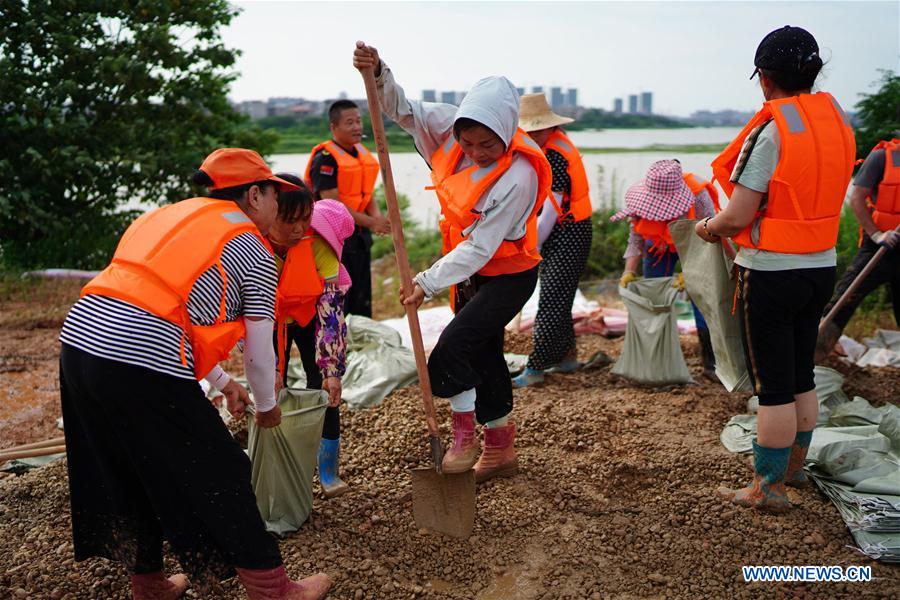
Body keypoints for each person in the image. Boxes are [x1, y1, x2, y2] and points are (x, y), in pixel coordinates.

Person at [59, 148, 331, 599]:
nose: (277, 208)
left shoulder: (169, 216)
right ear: (255, 194)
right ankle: (273, 589)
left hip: (79, 344)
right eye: (273, 196)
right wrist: (266, 408)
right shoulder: (252, 245)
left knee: (124, 466)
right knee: (223, 468)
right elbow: (261, 353)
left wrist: (225, 385)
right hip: (139, 356)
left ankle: (148, 583)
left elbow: (163, 306)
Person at [353, 41, 551, 482]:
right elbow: (403, 110)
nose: (476, 151)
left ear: (507, 132)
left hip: (509, 275)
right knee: (485, 353)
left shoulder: (518, 176)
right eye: (468, 142)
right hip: (471, 273)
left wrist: (427, 281)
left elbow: (481, 246)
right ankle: (500, 450)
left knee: (452, 350)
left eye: (488, 145)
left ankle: (464, 436)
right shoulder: (450, 127)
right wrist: (379, 73)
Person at [697, 26, 855, 511]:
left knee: (773, 387)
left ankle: (768, 488)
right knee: (802, 373)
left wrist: (708, 227)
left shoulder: (773, 130)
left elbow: (740, 214)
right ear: (814, 72)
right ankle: (794, 470)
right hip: (821, 267)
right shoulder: (838, 124)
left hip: (770, 273)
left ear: (764, 79)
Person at [269, 173, 354, 498]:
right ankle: (280, 465)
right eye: (289, 221)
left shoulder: (319, 243)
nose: (297, 229)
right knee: (270, 388)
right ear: (267, 214)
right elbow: (245, 311)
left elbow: (331, 311)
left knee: (323, 389)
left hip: (309, 315)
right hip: (270, 320)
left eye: (304, 220)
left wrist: (333, 370)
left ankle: (329, 471)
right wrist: (269, 369)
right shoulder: (251, 245)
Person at [512, 93, 594, 388]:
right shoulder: (550, 145)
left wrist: (530, 247)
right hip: (565, 230)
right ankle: (567, 357)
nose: (532, 135)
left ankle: (536, 368)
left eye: (537, 129)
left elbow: (549, 213)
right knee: (560, 297)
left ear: (549, 126)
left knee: (550, 301)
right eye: (528, 130)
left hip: (569, 232)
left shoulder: (555, 154)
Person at [611, 159, 718, 380]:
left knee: (702, 301)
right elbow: (636, 238)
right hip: (658, 246)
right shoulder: (641, 201)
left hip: (695, 245)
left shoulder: (699, 197)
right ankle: (656, 360)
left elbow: (712, 241)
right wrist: (628, 271)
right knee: (653, 299)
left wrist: (690, 275)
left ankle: (711, 364)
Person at [817, 135, 900, 359]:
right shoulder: (882, 157)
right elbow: (857, 197)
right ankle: (815, 355)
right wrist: (876, 233)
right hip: (880, 245)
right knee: (847, 296)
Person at [305, 99, 390, 317]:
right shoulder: (325, 159)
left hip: (360, 237)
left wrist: (378, 219)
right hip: (334, 241)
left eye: (359, 121)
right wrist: (373, 222)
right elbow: (334, 207)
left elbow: (367, 195)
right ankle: (342, 347)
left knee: (362, 296)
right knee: (341, 298)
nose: (357, 127)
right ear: (334, 127)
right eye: (349, 122)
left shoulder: (361, 153)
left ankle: (363, 340)